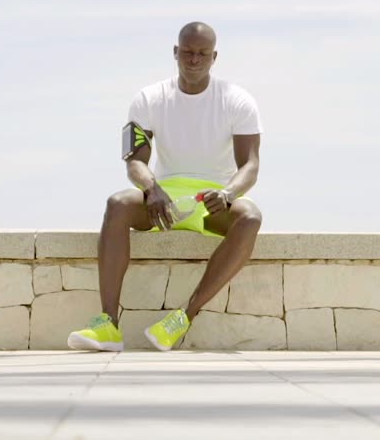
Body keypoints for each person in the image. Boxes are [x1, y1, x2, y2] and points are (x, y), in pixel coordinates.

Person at [67, 21, 263, 352]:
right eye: (187, 52)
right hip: (165, 199)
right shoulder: (148, 98)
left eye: (202, 53)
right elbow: (134, 161)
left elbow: (251, 165)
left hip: (213, 200)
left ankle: (182, 318)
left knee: (251, 216)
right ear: (175, 52)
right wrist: (150, 187)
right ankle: (107, 326)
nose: (194, 59)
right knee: (117, 203)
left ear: (214, 57)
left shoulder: (238, 100)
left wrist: (229, 193)